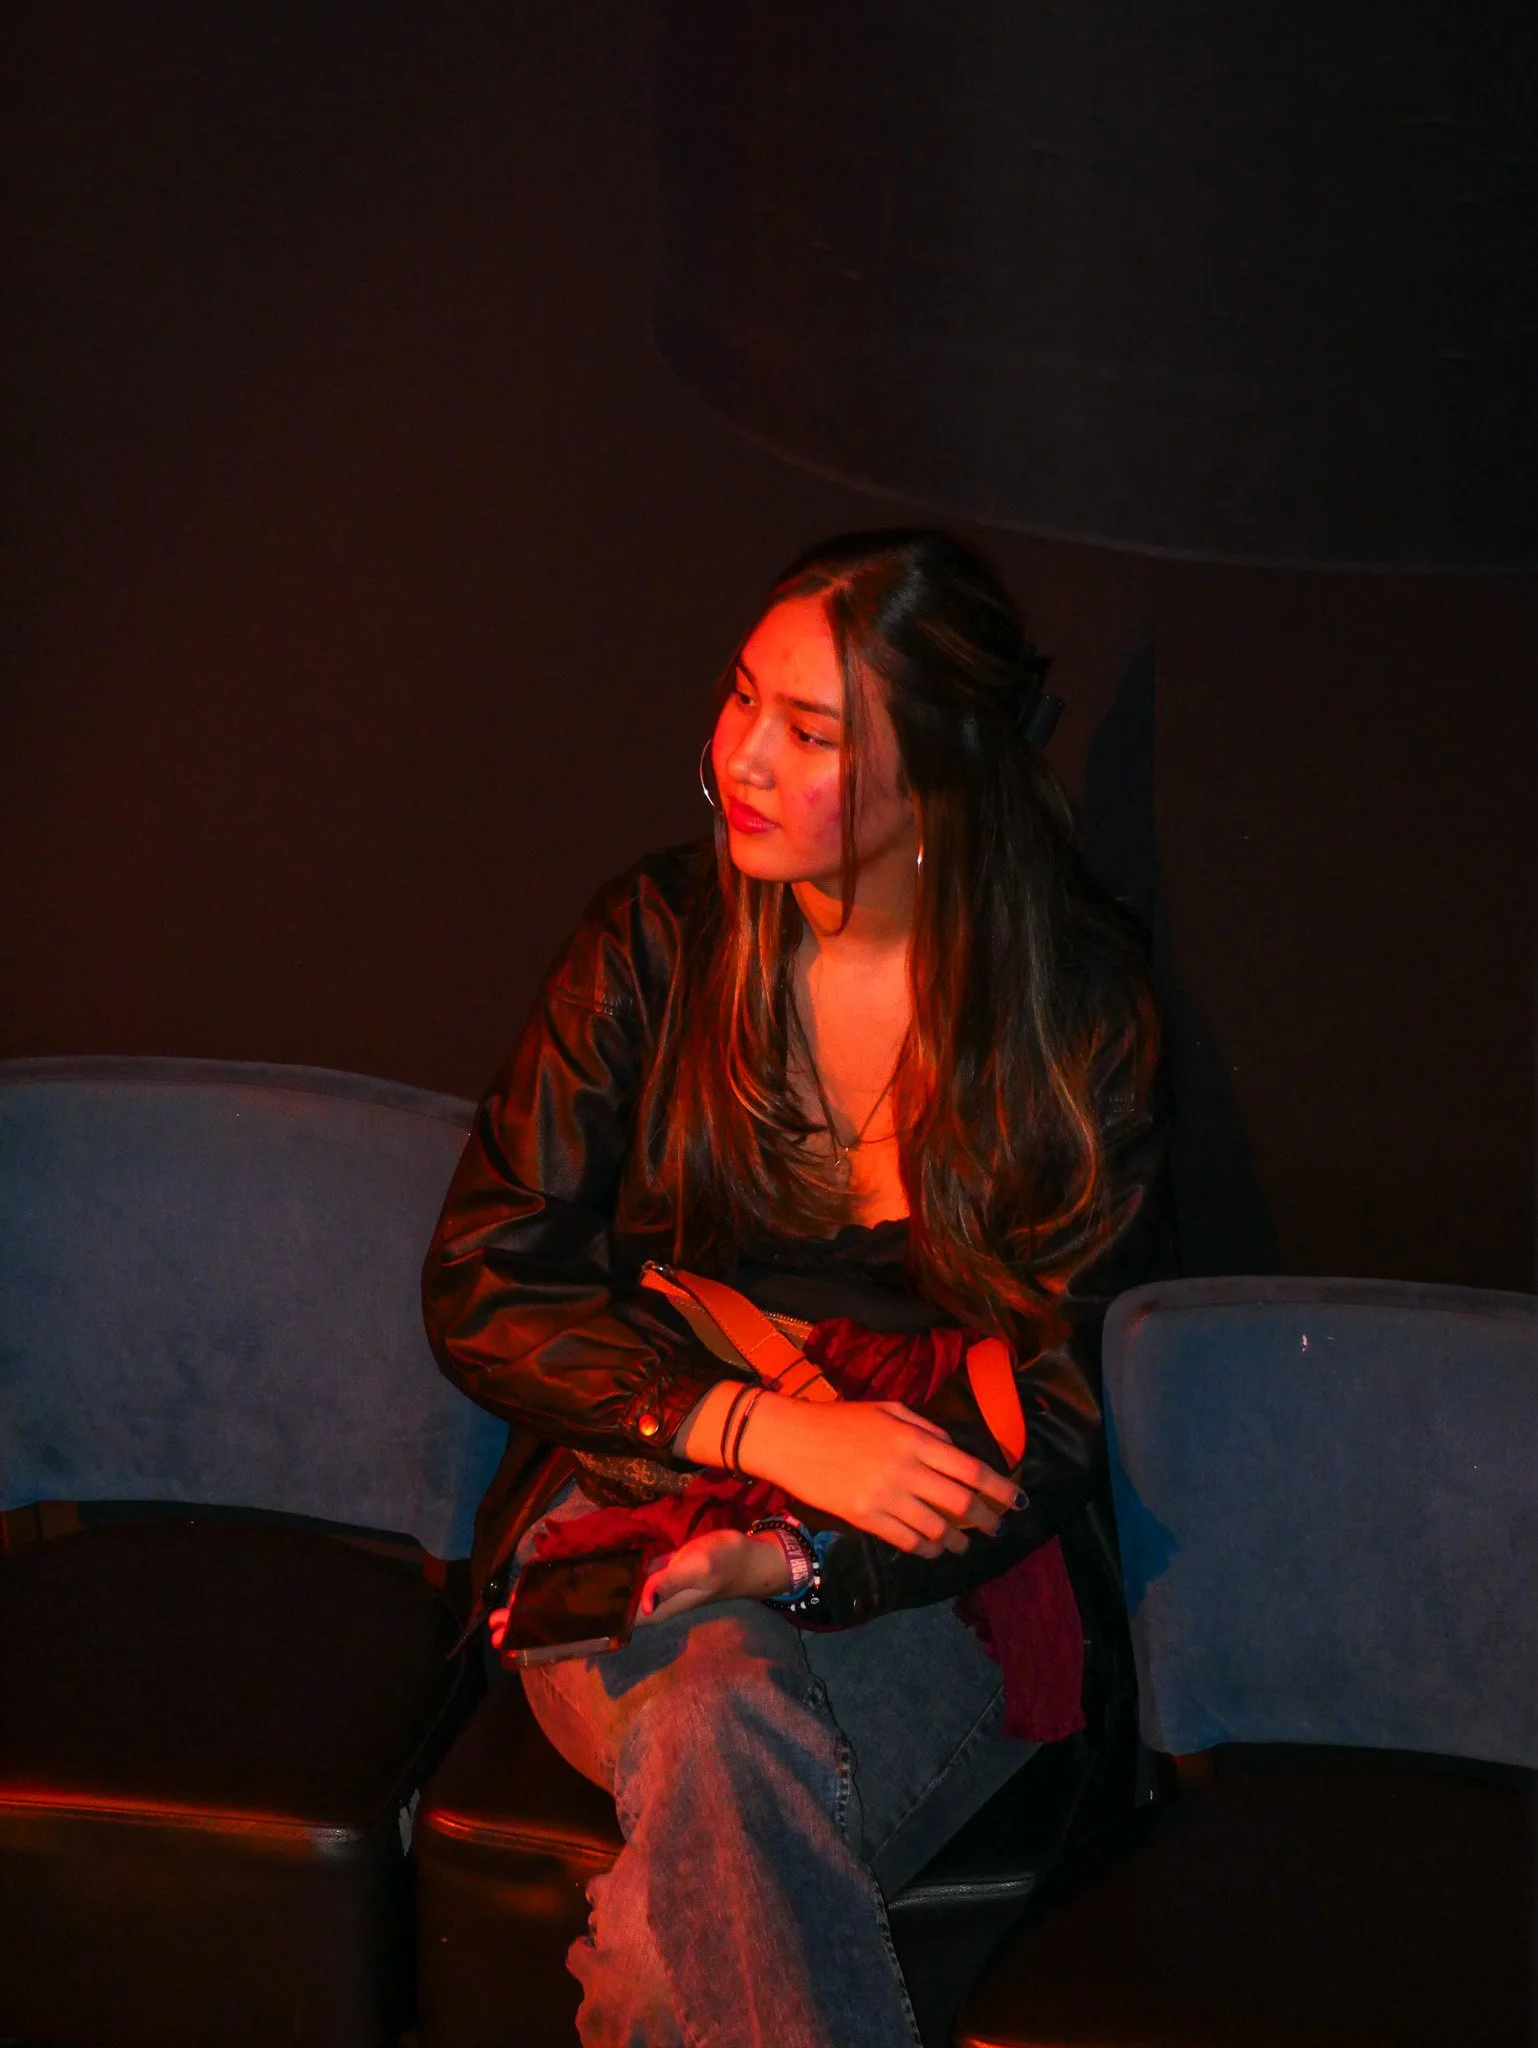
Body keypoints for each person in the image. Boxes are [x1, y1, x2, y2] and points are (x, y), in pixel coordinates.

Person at [422, 529, 1169, 2048]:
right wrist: (749, 1437)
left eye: (811, 731)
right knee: (715, 1725)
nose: (740, 754)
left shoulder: (1071, 1002)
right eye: (742, 699)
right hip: (640, 1502)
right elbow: (484, 1281)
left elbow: (1064, 1399)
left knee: (704, 1785)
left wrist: (799, 1566)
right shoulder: (652, 940)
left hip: (939, 1565)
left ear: (937, 781)